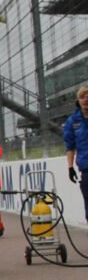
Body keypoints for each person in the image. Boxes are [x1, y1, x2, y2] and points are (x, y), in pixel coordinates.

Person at [64, 85, 88, 224]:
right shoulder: (73, 121)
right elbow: (70, 147)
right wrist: (70, 167)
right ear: (78, 100)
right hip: (86, 168)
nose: (86, 99)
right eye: (82, 97)